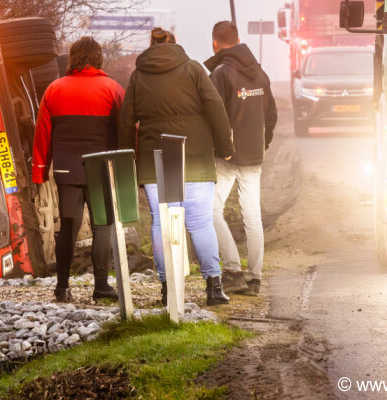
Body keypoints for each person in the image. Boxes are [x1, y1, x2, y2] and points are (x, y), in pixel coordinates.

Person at [118, 28, 235, 306]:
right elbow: (215, 106)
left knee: (162, 224)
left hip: (155, 159)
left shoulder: (138, 76)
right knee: (200, 222)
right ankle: (214, 287)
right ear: (175, 43)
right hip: (193, 156)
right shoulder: (193, 69)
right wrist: (225, 148)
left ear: (152, 45)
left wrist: (127, 160)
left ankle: (168, 288)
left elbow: (125, 121)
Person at [32, 36, 125, 303]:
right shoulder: (113, 89)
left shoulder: (54, 89)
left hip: (65, 171)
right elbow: (124, 131)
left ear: (72, 58)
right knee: (102, 227)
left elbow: (42, 135)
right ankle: (101, 286)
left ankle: (62, 287)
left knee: (69, 225)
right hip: (100, 168)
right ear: (98, 58)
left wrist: (39, 172)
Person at [204, 21, 277, 297]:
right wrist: (262, 144)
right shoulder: (260, 73)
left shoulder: (220, 74)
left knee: (211, 210)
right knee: (252, 217)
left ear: (215, 43)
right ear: (238, 40)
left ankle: (233, 271)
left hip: (227, 157)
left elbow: (213, 117)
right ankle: (254, 278)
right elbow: (271, 115)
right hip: (254, 157)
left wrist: (220, 149)